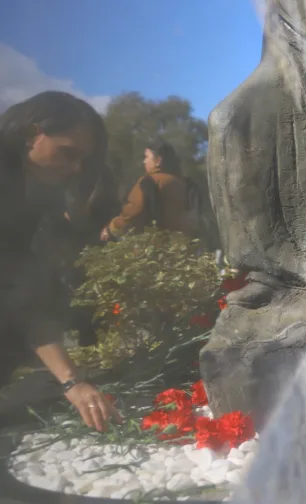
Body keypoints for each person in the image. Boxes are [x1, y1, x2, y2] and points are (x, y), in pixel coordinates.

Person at [0, 91, 120, 431]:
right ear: (31, 136)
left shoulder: (31, 195)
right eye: (69, 154)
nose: (76, 168)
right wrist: (71, 382)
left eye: (83, 159)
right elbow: (15, 290)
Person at [101, 141, 199, 241]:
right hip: (184, 247)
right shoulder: (188, 185)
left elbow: (134, 213)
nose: (144, 161)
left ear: (158, 160)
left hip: (155, 248)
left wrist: (111, 228)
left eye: (146, 157)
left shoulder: (151, 181)